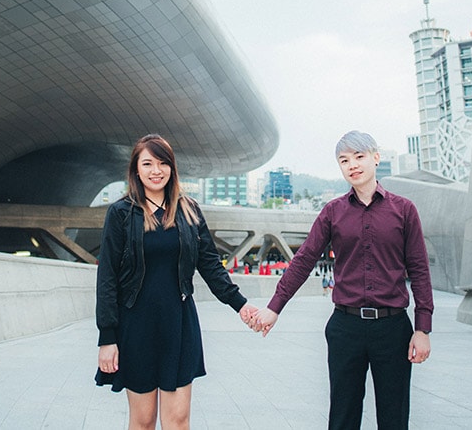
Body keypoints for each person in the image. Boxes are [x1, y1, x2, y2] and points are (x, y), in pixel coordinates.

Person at [250, 130, 434, 429]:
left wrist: (423, 328)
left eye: (359, 157)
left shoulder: (404, 210)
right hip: (345, 327)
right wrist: (274, 307)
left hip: (393, 328)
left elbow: (419, 269)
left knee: (394, 417)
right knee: (342, 416)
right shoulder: (332, 212)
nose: (353, 165)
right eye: (344, 160)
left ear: (376, 157)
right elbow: (304, 260)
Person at [95, 134, 258, 429]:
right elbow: (106, 276)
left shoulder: (188, 210)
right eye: (148, 163)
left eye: (162, 163)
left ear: (172, 168)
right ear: (136, 169)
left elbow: (210, 264)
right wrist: (107, 337)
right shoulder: (121, 213)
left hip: (179, 323)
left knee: (178, 420)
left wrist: (240, 305)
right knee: (143, 421)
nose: (156, 170)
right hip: (136, 325)